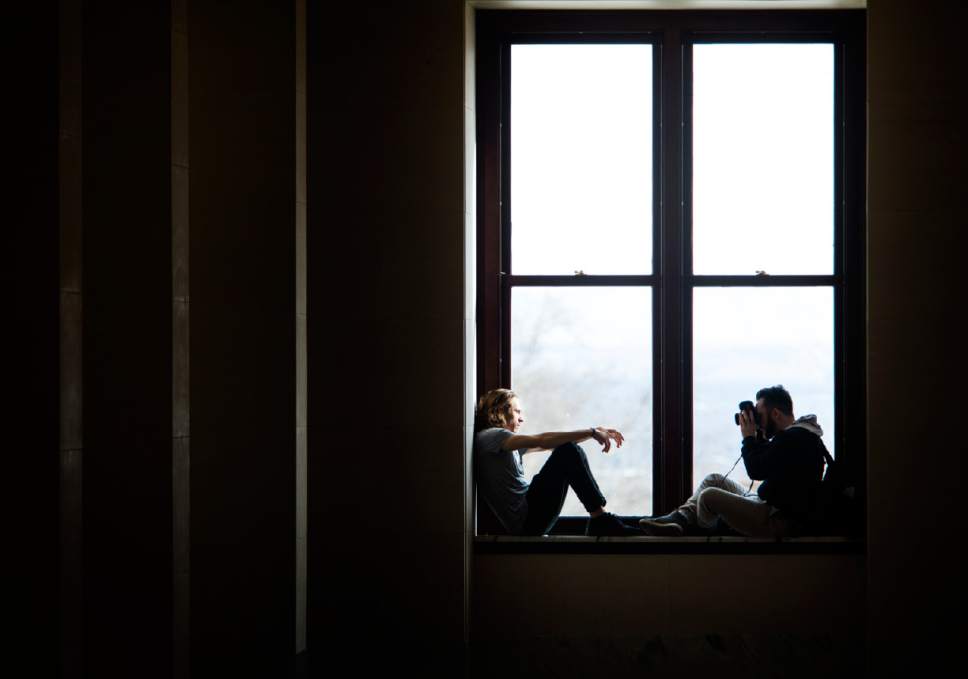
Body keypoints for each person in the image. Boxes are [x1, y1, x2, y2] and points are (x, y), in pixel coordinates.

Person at [639, 385, 827, 538]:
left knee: (709, 496)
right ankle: (679, 518)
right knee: (713, 479)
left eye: (760, 416)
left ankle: (694, 533)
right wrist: (758, 437)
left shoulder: (796, 438)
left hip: (779, 520)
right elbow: (769, 461)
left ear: (776, 414)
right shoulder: (799, 435)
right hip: (768, 506)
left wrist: (748, 438)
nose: (758, 422)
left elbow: (756, 469)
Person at [474, 388, 645, 537]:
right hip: (526, 522)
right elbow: (542, 440)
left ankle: (601, 519)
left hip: (529, 518)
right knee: (567, 451)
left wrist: (594, 432)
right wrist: (592, 432)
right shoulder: (492, 436)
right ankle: (601, 519)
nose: (521, 419)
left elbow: (553, 443)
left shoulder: (503, 443)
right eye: (517, 411)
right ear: (500, 411)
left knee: (567, 450)